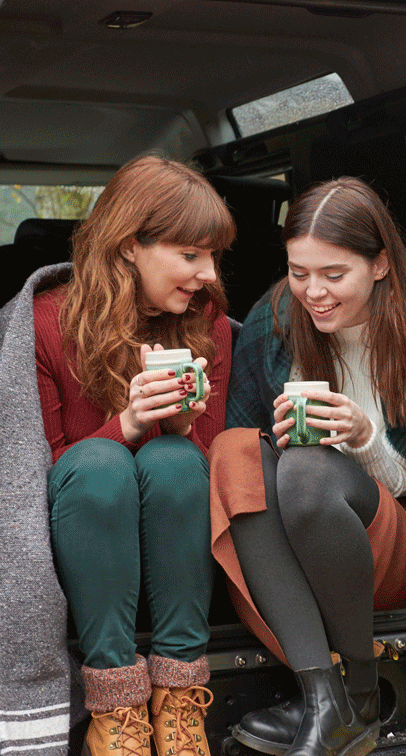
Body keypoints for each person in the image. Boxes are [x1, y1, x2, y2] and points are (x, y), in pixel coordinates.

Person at [209, 177, 406, 756]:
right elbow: (246, 455)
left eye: (334, 275)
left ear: (380, 266)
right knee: (233, 449)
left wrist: (365, 438)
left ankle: (362, 686)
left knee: (307, 471)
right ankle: (326, 699)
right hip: (290, 549)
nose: (314, 292)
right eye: (299, 272)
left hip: (389, 543)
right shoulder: (276, 318)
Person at [33, 155, 235, 756]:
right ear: (128, 246)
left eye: (214, 256)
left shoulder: (210, 324)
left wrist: (180, 427)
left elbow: (218, 468)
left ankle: (177, 697)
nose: (208, 273)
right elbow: (36, 472)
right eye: (191, 255)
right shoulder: (46, 323)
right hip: (85, 548)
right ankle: (118, 706)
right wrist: (125, 424)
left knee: (174, 460)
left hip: (180, 555)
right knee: (101, 464)